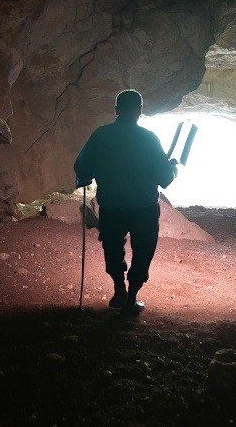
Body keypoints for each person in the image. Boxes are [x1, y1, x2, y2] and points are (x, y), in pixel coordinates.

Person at [74, 89, 178, 315]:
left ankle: (119, 289)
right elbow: (165, 179)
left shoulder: (101, 135)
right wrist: (172, 168)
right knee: (143, 250)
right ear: (140, 110)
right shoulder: (149, 138)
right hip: (144, 208)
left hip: (112, 206)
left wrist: (86, 177)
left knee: (112, 247)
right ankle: (132, 298)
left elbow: (82, 168)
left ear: (116, 110)